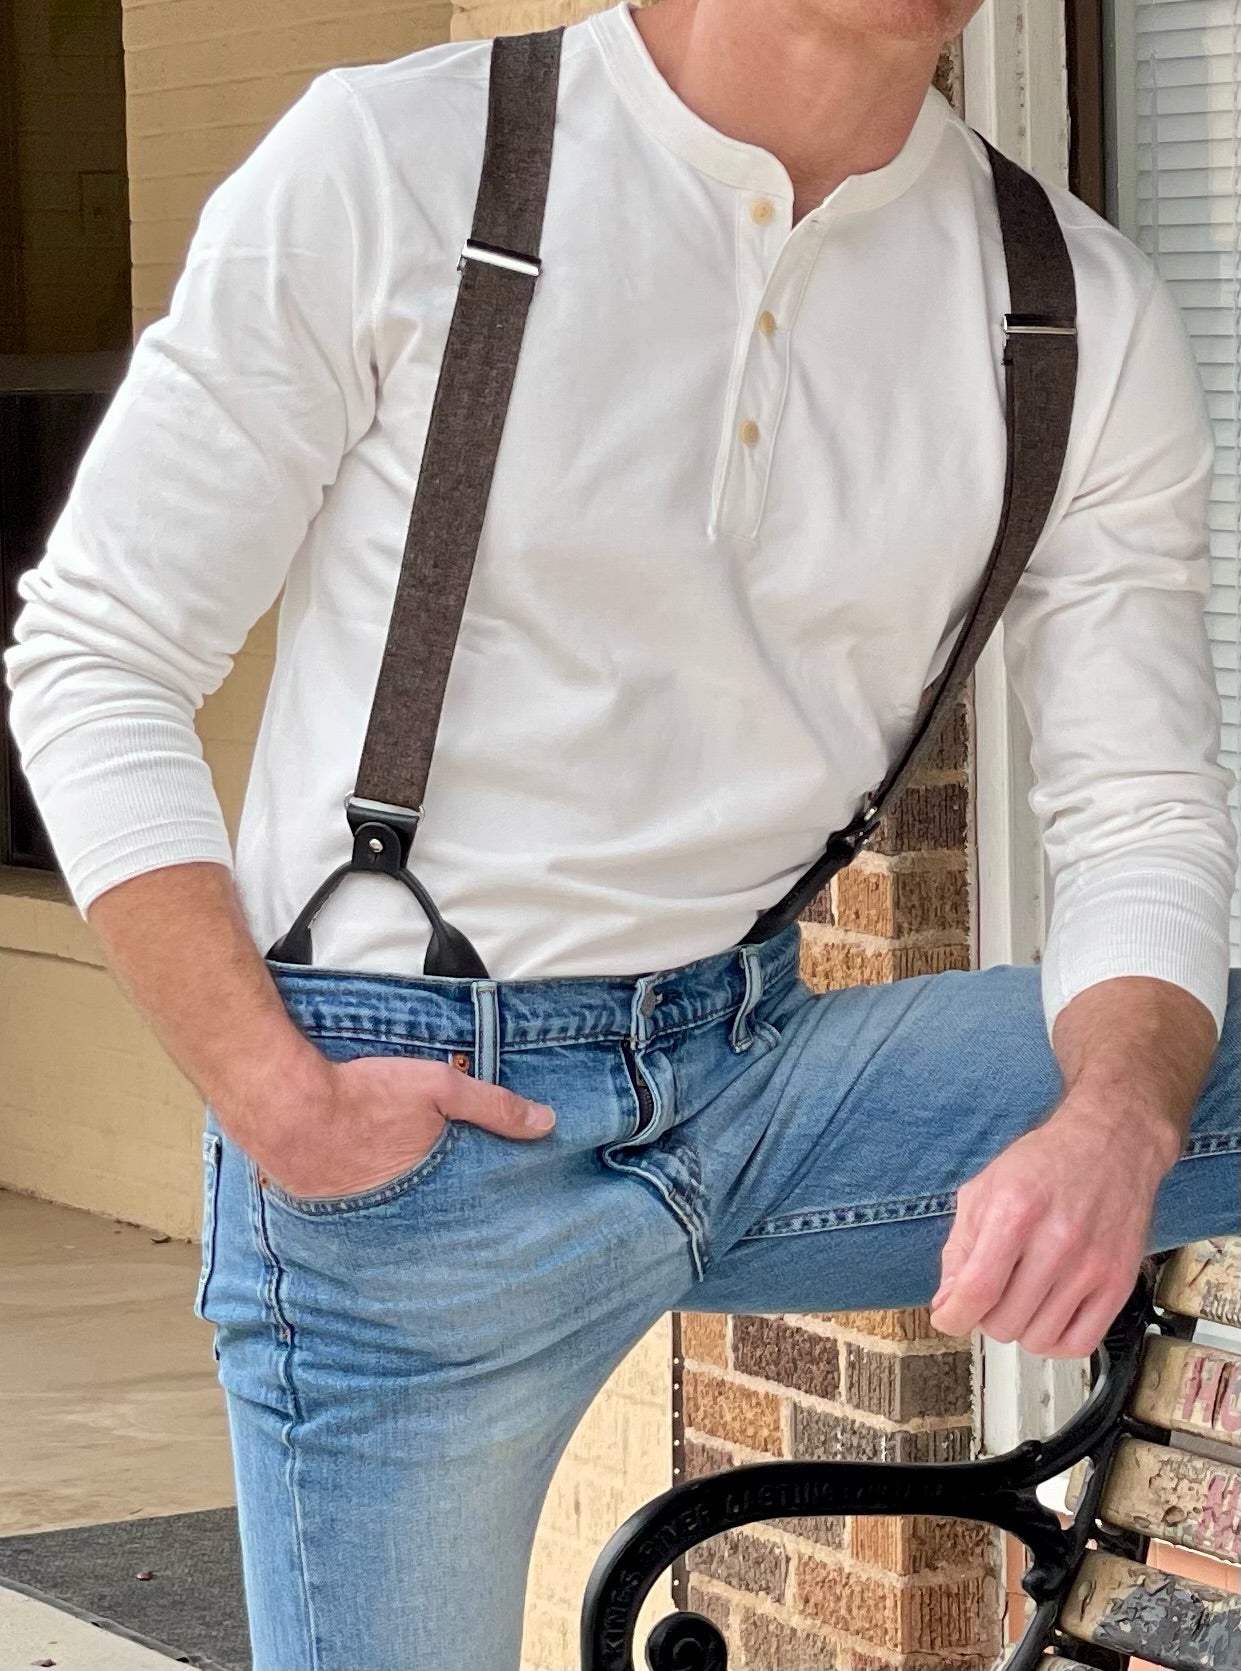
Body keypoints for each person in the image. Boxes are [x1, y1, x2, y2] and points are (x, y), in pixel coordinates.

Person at [4, 1, 1237, 1666]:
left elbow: (1138, 805)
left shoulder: (1072, 302)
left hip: (764, 1073)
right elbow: (98, 650)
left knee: (1186, 1063)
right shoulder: (401, 161)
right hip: (416, 1121)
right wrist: (272, 1095)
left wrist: (1110, 1121)